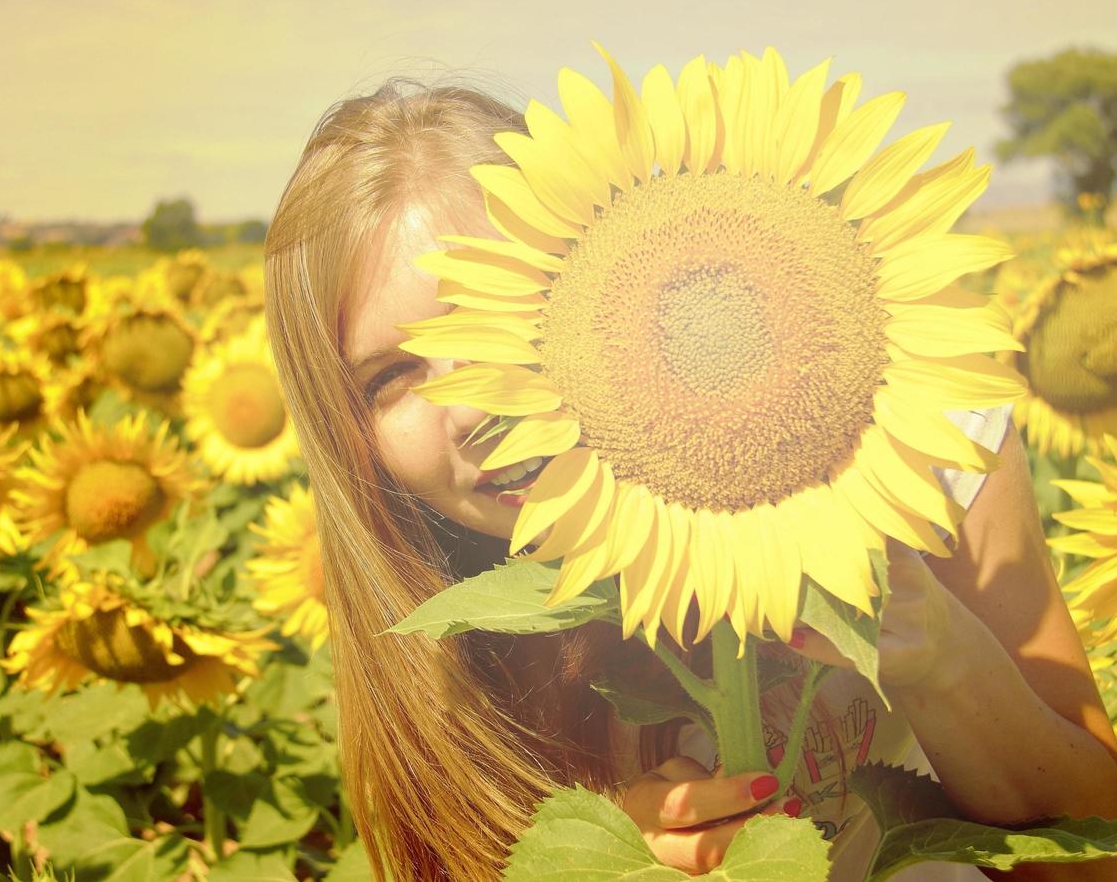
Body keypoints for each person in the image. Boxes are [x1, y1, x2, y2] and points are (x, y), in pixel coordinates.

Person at [261, 78, 1117, 881]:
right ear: (351, 441)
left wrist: (944, 661)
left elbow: (1096, 849)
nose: (471, 401)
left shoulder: (911, 446)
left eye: (498, 312)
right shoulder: (460, 650)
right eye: (389, 376)